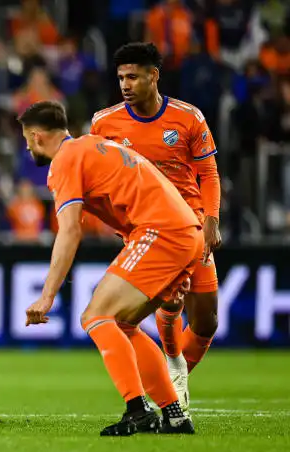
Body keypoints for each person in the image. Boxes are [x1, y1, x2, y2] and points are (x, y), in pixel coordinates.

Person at [20, 100, 198, 436]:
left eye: (27, 140)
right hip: (182, 230)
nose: (27, 148)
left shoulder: (65, 160)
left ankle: (137, 410)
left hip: (161, 231)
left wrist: (47, 296)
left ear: (37, 135)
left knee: (95, 316)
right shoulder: (94, 145)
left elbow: (70, 230)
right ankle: (174, 415)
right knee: (123, 324)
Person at [90, 43, 222, 416]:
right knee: (167, 301)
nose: (125, 85)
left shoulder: (188, 118)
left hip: (191, 224)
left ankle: (175, 364)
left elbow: (208, 173)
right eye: (120, 78)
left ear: (153, 76)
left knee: (206, 320)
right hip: (146, 230)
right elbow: (102, 180)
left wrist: (211, 219)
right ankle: (168, 387)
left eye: (133, 77)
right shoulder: (104, 123)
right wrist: (121, 225)